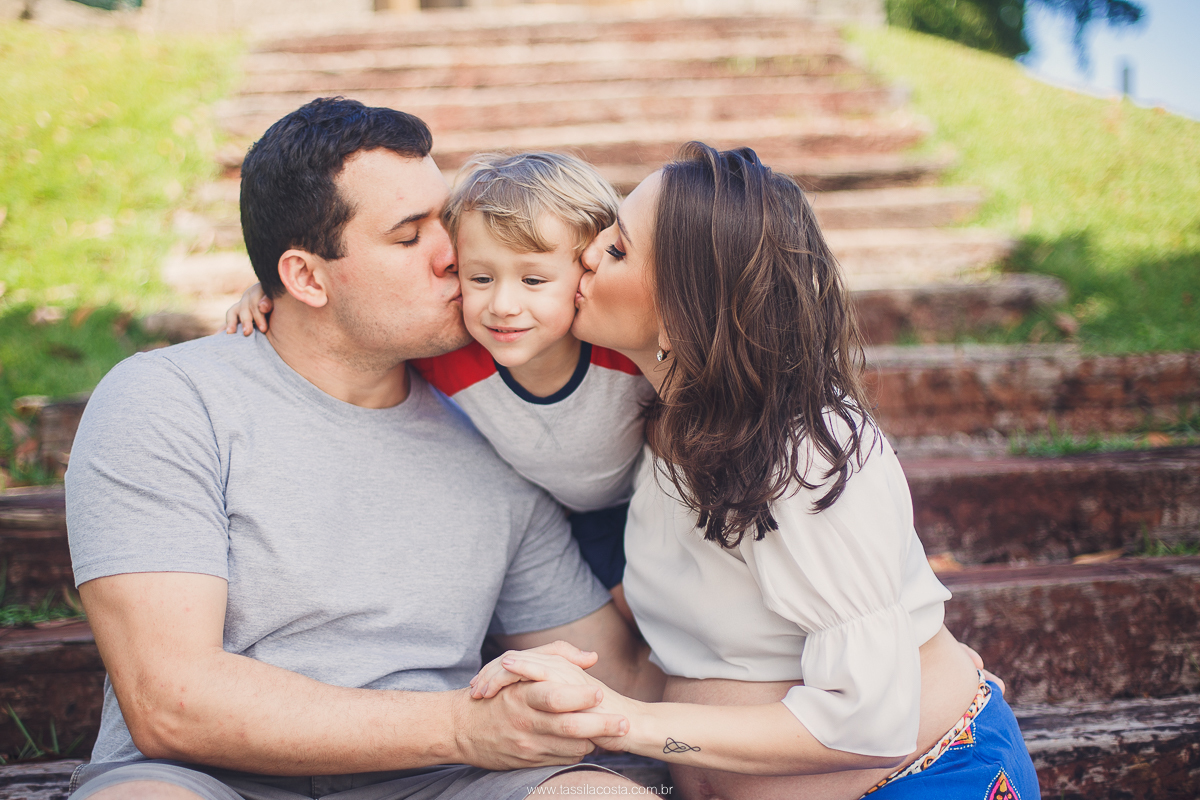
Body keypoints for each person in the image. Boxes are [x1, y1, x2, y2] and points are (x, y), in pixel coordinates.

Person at [63, 97, 660, 800]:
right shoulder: (168, 400)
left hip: (436, 785)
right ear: (306, 278)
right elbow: (173, 702)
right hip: (207, 780)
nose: (456, 254)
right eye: (410, 237)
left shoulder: (495, 428)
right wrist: (464, 729)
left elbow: (618, 676)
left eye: (445, 220)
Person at [471, 143, 1041, 800]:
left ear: (686, 306)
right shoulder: (667, 416)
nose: (587, 256)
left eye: (619, 250)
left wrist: (626, 722)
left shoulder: (805, 453)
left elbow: (867, 723)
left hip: (924, 782)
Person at [227, 152, 655, 623]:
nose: (504, 305)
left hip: (648, 495)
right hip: (563, 516)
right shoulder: (451, 356)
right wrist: (270, 290)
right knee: (635, 618)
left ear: (588, 271)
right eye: (480, 278)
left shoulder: (618, 347)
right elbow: (365, 320)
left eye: (533, 279)